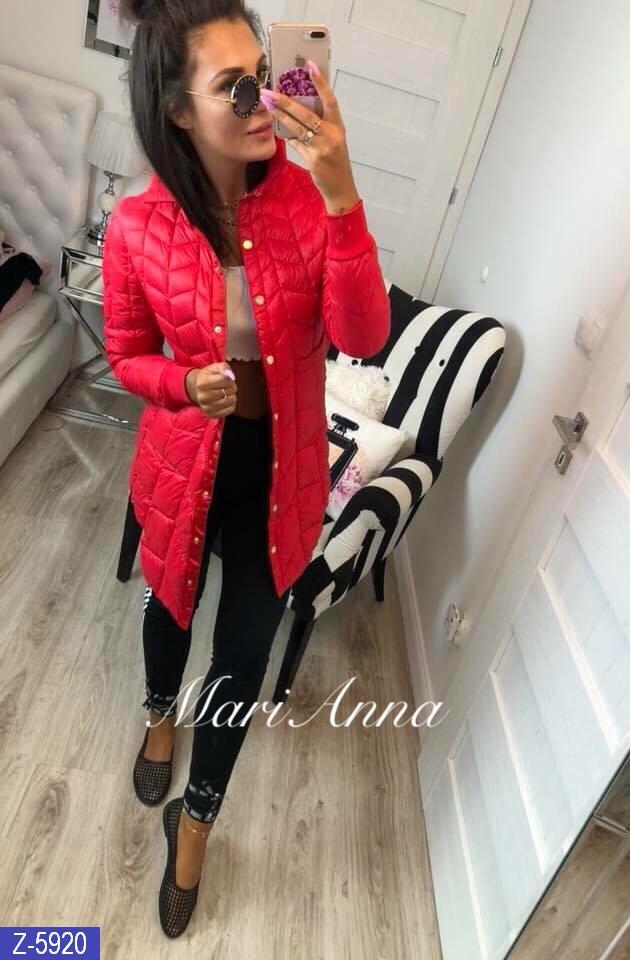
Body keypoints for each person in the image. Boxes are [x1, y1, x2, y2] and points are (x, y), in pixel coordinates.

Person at [103, 0, 390, 938]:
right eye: (235, 87)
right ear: (176, 110)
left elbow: (361, 335)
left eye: (264, 74)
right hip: (184, 454)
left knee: (243, 654)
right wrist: (183, 383)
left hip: (283, 465)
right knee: (168, 606)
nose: (264, 99)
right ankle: (158, 716)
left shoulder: (305, 200)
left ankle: (196, 824)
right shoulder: (137, 225)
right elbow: (125, 356)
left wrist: (342, 193)